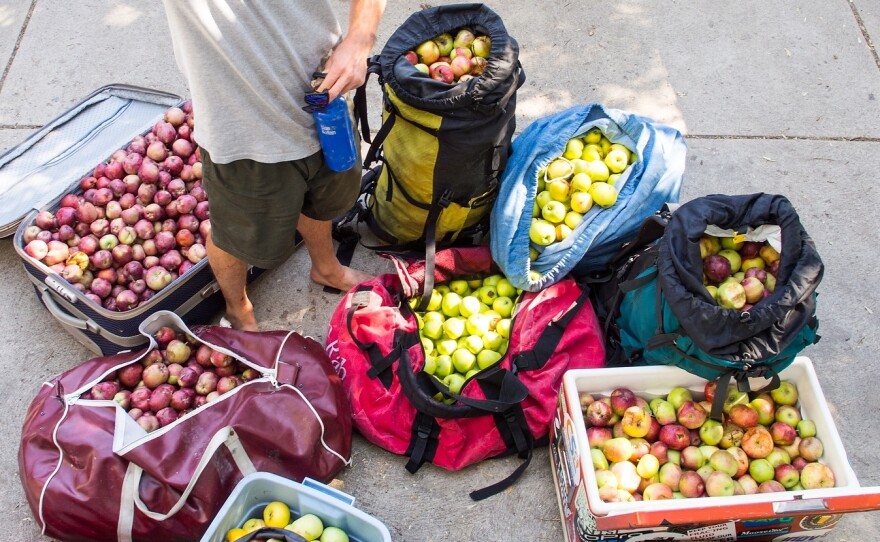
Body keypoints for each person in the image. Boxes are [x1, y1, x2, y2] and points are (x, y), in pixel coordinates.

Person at [161, 1, 386, 330]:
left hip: (326, 98)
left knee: (320, 198)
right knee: (235, 234)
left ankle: (326, 267)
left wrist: (359, 39)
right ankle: (238, 308)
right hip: (243, 132)